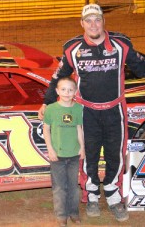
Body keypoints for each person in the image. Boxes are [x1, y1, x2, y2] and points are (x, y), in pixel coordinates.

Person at [38, 3, 145, 222]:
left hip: (115, 110)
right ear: (82, 23)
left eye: (97, 20)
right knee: (88, 154)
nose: (93, 24)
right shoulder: (72, 48)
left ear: (104, 21)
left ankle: (114, 194)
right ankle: (92, 194)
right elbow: (59, 76)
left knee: (115, 153)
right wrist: (47, 102)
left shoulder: (121, 43)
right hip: (86, 112)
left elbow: (141, 64)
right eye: (88, 20)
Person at [43, 77, 85, 226]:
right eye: (63, 89)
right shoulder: (51, 109)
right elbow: (46, 129)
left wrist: (82, 148)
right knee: (60, 187)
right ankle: (61, 215)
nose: (67, 93)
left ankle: (74, 213)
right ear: (57, 91)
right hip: (57, 156)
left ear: (75, 91)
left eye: (70, 90)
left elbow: (79, 129)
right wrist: (50, 149)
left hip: (73, 154)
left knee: (73, 187)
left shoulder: (78, 108)